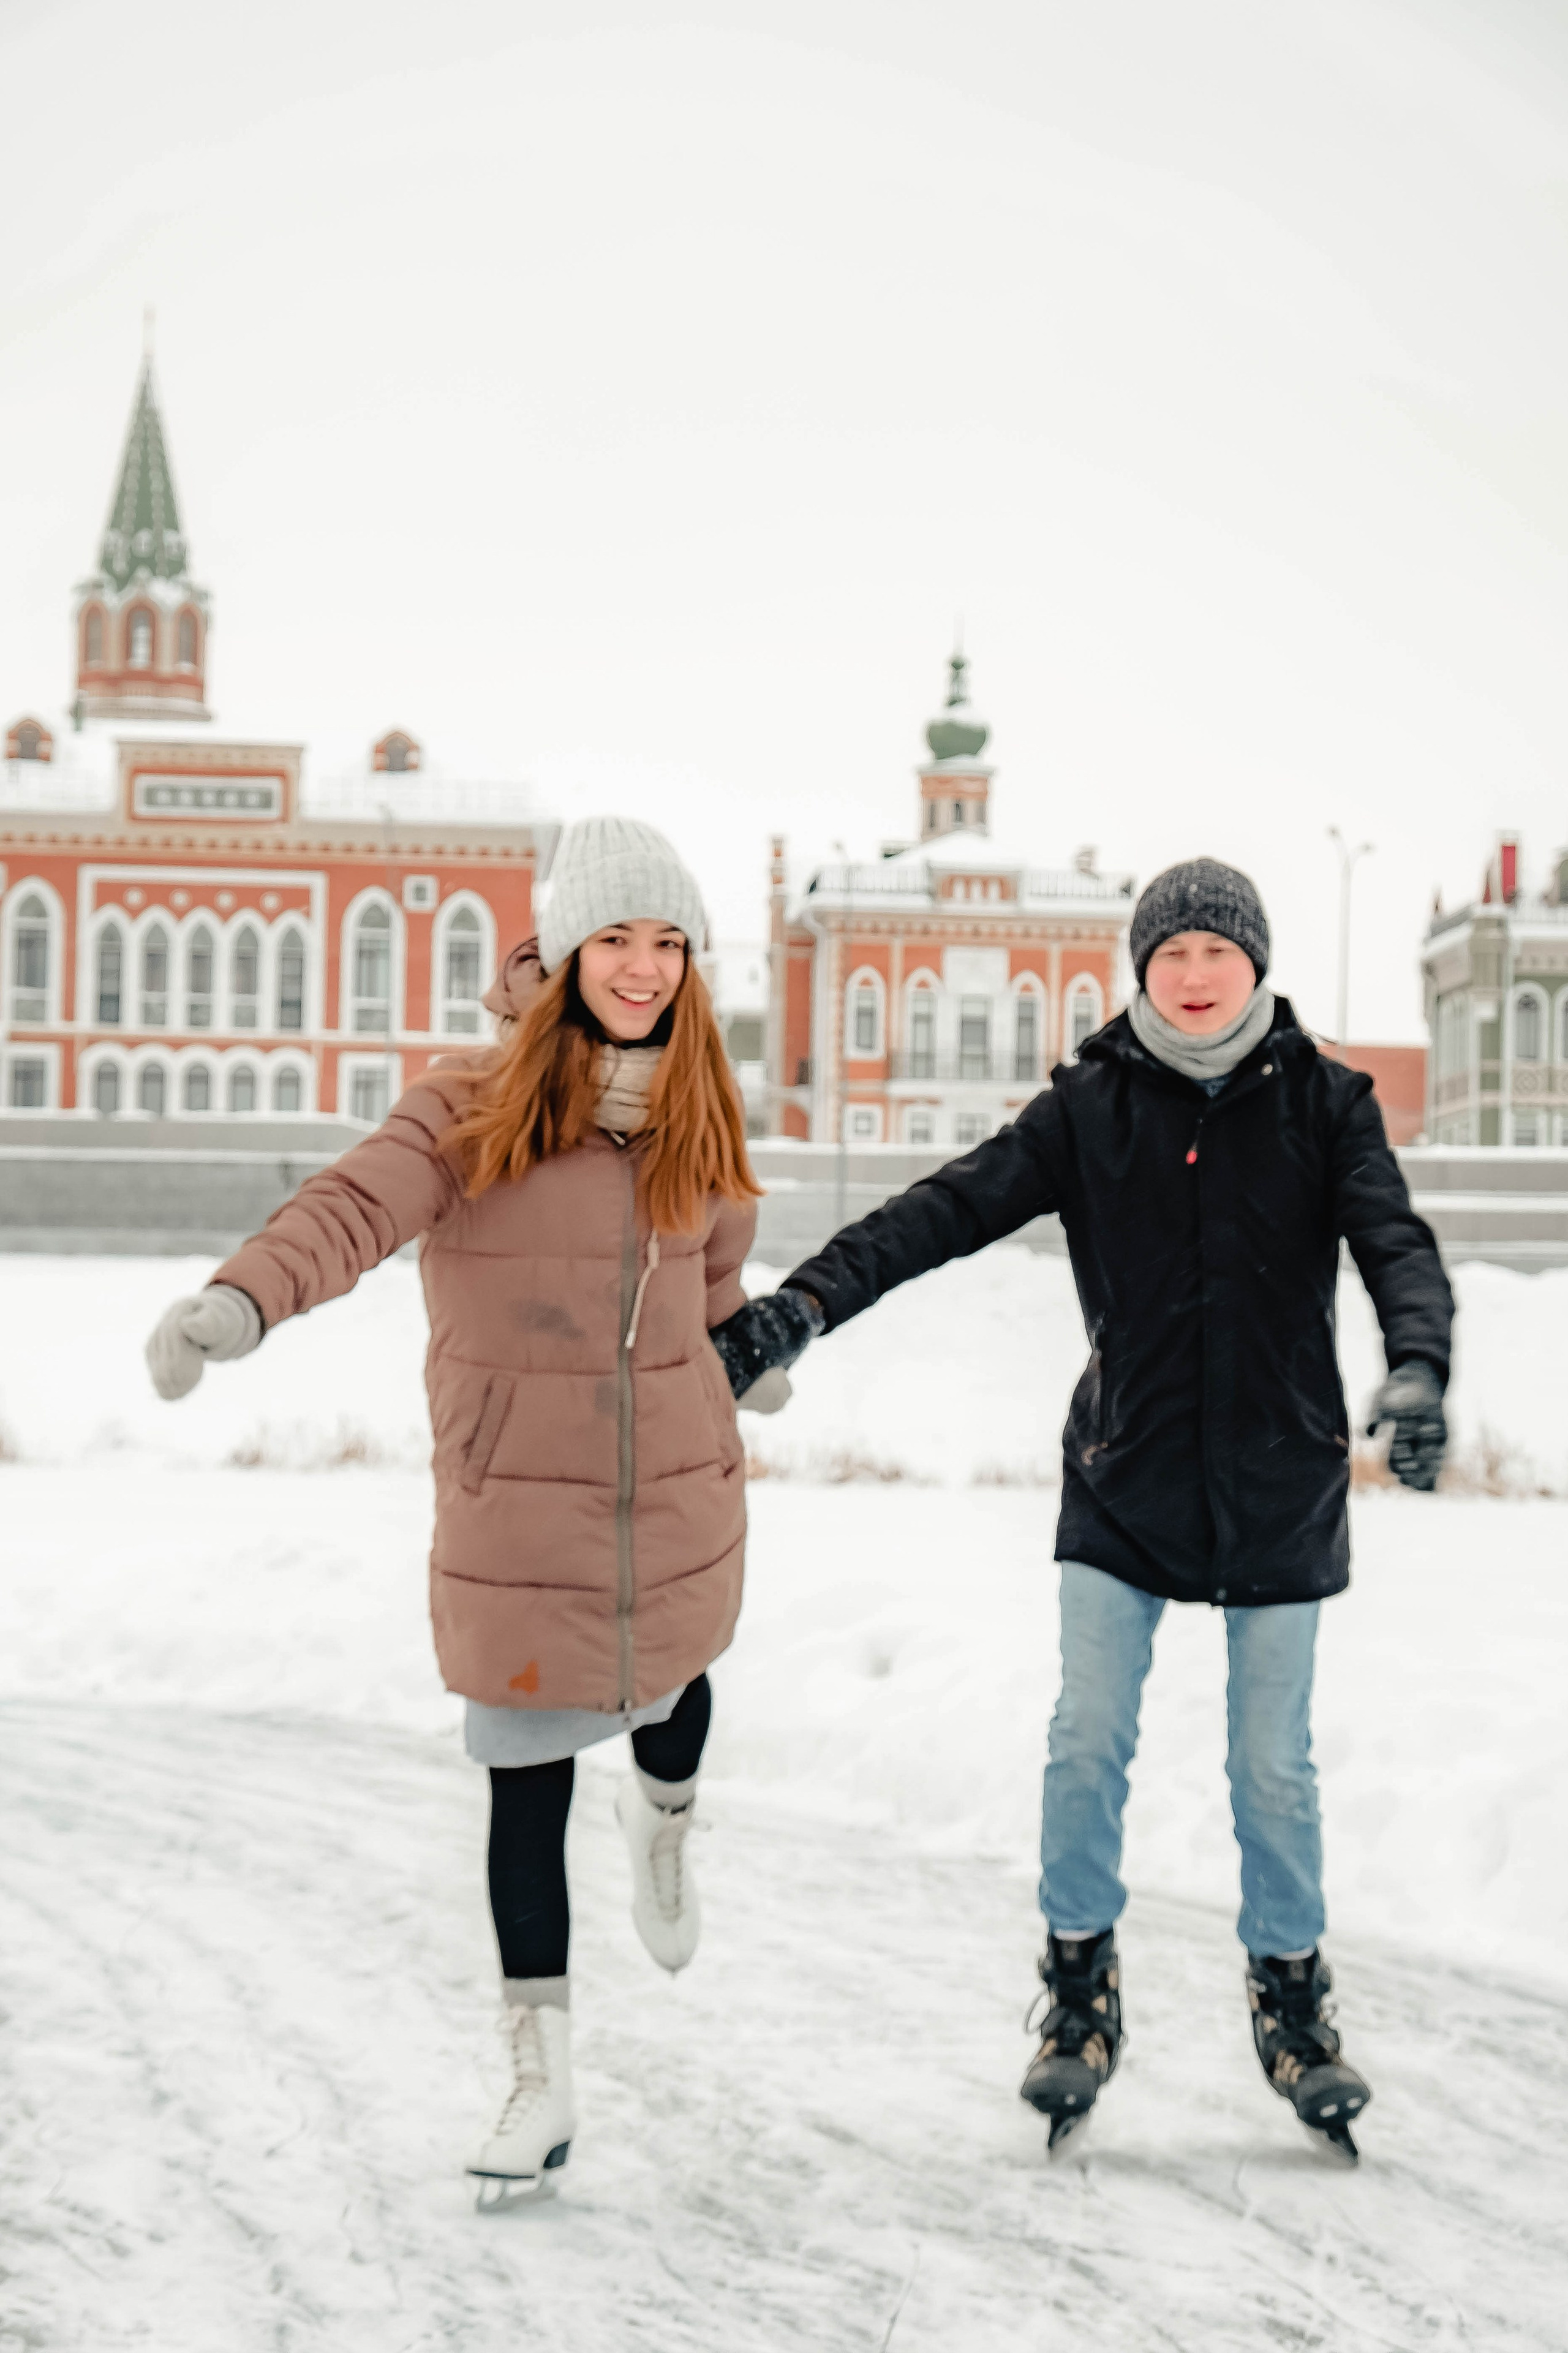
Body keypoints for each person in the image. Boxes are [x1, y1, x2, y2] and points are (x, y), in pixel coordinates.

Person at [710, 858, 1453, 2162]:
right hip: (1123, 1478)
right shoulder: (1089, 1105)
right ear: (1142, 968)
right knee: (1083, 1738)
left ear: (1254, 965)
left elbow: (1392, 1240)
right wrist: (804, 1305)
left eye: (1216, 950)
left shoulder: (1327, 1103)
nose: (1193, 970)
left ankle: (1290, 1998)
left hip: (1279, 1486)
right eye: (1170, 952)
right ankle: (1075, 1986)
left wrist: (1416, 1364)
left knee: (1270, 1769)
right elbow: (939, 1210)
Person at [145, 817, 770, 2203]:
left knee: (677, 1687)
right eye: (618, 938)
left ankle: (663, 1823)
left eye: (669, 942)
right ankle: (539, 2078)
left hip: (671, 1477)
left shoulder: (701, 1104)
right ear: (559, 950)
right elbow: (351, 1208)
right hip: (519, 1507)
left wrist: (747, 1351)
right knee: (525, 1780)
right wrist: (244, 1296)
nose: (645, 967)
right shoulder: (472, 1105)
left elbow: (716, 1268)